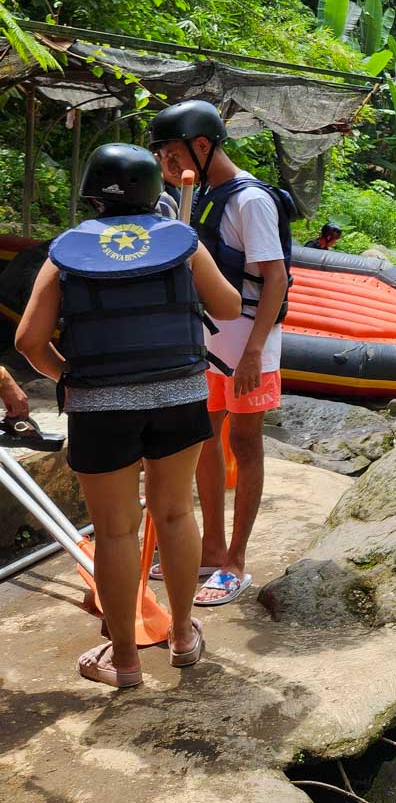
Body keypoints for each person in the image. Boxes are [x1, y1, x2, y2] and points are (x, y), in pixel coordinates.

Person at [15, 144, 241, 687]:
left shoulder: (64, 253)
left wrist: (67, 377)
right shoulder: (181, 245)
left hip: (100, 406)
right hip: (179, 398)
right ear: (153, 192)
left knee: (116, 532)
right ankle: (183, 637)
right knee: (175, 515)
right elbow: (229, 307)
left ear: (91, 194)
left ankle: (124, 661)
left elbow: (28, 340)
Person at [149, 100, 294, 607]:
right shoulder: (202, 193)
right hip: (209, 341)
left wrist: (254, 352)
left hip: (249, 342)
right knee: (205, 437)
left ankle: (236, 561)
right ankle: (209, 547)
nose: (165, 166)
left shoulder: (251, 201)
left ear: (202, 147)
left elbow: (274, 277)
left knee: (245, 444)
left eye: (170, 154)